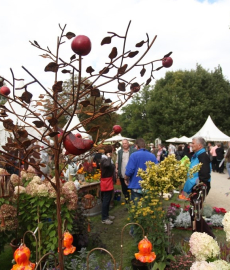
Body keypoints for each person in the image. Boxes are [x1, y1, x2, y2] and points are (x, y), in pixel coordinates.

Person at [183, 137, 215, 238]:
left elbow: (205, 175)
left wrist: (197, 187)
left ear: (199, 145)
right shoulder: (197, 155)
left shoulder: (202, 156)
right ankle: (197, 236)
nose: (191, 145)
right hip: (196, 187)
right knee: (193, 212)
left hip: (200, 187)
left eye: (193, 143)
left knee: (195, 212)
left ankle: (205, 236)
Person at [124, 138, 158, 203]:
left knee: (137, 208)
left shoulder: (134, 155)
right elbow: (156, 169)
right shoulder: (152, 156)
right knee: (148, 207)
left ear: (136, 146)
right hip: (148, 185)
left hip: (136, 185)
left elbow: (130, 170)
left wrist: (126, 178)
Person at [116, 139, 136, 204]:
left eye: (125, 143)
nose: (124, 145)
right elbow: (117, 161)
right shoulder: (119, 152)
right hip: (122, 173)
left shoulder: (133, 151)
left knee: (132, 189)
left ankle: (133, 203)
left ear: (128, 144)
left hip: (131, 174)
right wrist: (116, 169)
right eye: (123, 143)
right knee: (124, 190)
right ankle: (127, 203)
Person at [100, 145, 116, 225]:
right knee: (106, 200)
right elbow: (107, 165)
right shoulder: (104, 159)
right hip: (106, 182)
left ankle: (107, 215)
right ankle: (104, 218)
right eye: (112, 151)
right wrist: (109, 157)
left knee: (108, 199)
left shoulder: (105, 159)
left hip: (108, 181)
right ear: (109, 152)